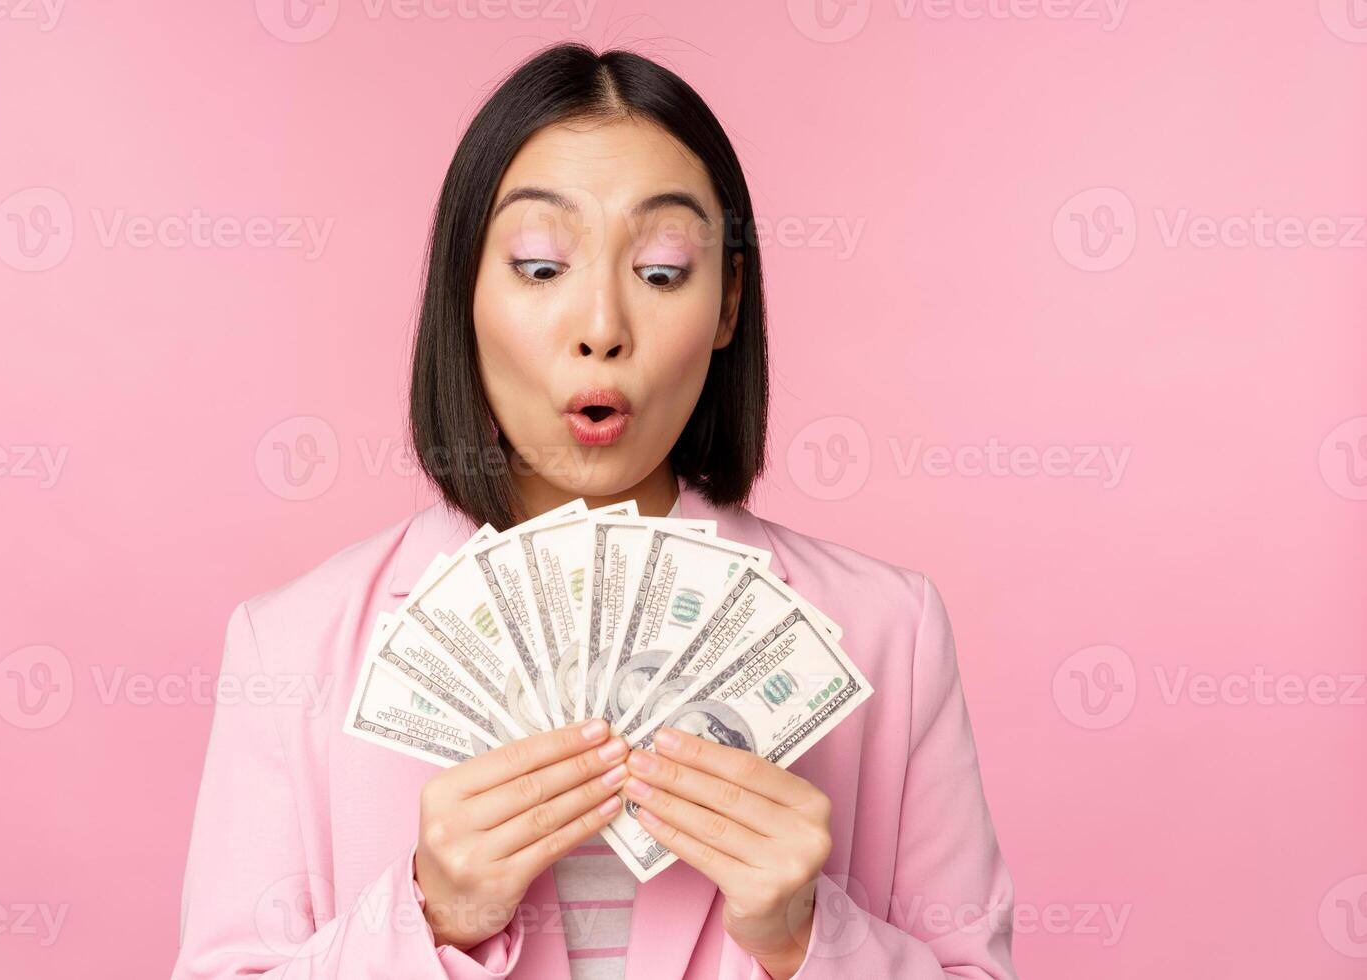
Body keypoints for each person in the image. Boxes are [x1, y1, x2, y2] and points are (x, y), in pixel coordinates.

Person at [170, 42, 1017, 980]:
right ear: (465, 291)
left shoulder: (888, 636)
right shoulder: (289, 648)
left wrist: (807, 940)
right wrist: (426, 920)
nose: (602, 326)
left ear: (728, 303)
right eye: (540, 266)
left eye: (662, 271)